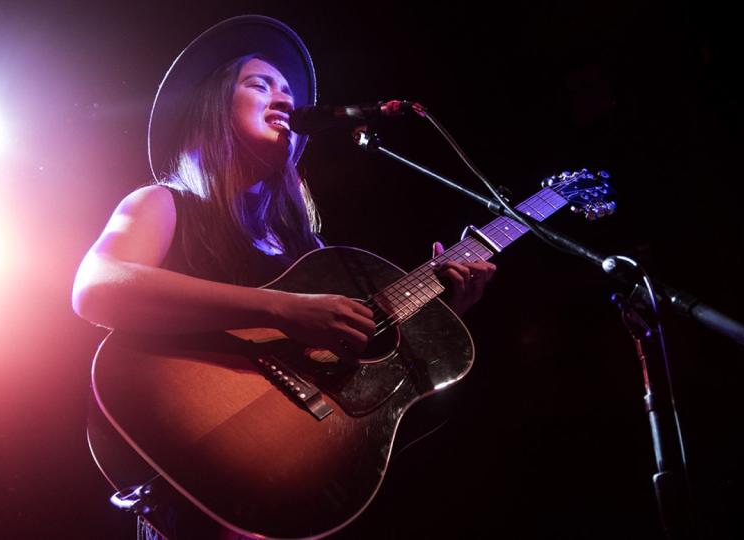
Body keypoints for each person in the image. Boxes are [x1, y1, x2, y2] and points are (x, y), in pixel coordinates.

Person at [72, 15, 496, 538]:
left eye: (288, 91)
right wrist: (283, 309)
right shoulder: (164, 203)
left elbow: (354, 368)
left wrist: (445, 311)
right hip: (193, 493)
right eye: (259, 84)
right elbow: (95, 288)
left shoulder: (307, 250)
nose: (283, 98)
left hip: (289, 491)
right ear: (214, 109)